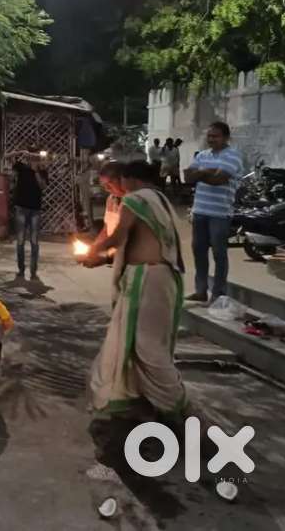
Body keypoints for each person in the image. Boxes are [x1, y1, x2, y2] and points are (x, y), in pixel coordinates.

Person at [85, 160, 187, 418]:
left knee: (147, 348)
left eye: (115, 183)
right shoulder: (160, 200)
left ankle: (180, 407)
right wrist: (103, 256)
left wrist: (93, 250)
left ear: (128, 179)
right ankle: (142, 398)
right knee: (145, 344)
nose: (114, 189)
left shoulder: (135, 199)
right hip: (165, 277)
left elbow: (118, 237)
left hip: (147, 280)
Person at [184, 121, 243, 302]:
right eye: (209, 136)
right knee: (198, 252)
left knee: (219, 253)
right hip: (200, 211)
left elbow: (219, 180)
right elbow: (187, 177)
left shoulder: (233, 156)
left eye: (215, 136)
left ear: (226, 137)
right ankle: (201, 291)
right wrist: (208, 171)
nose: (211, 139)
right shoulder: (202, 155)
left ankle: (218, 293)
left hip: (220, 213)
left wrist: (200, 174)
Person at [11, 148, 48, 281]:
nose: (32, 160)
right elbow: (7, 157)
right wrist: (18, 153)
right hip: (21, 207)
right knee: (20, 241)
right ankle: (21, 269)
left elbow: (43, 186)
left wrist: (36, 171)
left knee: (34, 242)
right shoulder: (21, 168)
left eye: (34, 158)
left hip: (35, 210)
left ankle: (33, 271)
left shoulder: (41, 171)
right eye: (31, 158)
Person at [81, 161, 127, 270]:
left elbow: (130, 241)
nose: (107, 189)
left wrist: (105, 258)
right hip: (117, 262)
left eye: (109, 184)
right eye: (104, 185)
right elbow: (107, 229)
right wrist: (94, 248)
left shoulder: (134, 202)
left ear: (122, 179)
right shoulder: (111, 200)